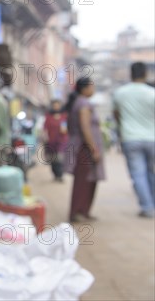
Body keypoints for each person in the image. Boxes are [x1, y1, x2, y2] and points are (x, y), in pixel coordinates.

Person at [113, 62, 155, 218]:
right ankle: (151, 203)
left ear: (130, 74)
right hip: (152, 138)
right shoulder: (152, 93)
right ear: (145, 74)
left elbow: (117, 115)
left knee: (138, 174)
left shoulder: (120, 92)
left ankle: (147, 207)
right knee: (151, 172)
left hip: (130, 138)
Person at [64, 77, 105, 222]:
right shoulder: (83, 104)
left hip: (83, 146)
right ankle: (77, 211)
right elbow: (85, 127)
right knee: (83, 180)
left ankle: (84, 210)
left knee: (88, 180)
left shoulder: (80, 103)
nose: (93, 89)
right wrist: (93, 148)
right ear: (84, 88)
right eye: (92, 86)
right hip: (84, 148)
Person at [43, 100, 68, 182]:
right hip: (51, 141)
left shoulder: (64, 115)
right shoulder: (48, 116)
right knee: (53, 158)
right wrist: (45, 136)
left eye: (58, 105)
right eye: (55, 105)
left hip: (61, 140)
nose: (56, 107)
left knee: (60, 158)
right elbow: (45, 127)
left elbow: (66, 127)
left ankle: (60, 174)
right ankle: (55, 174)